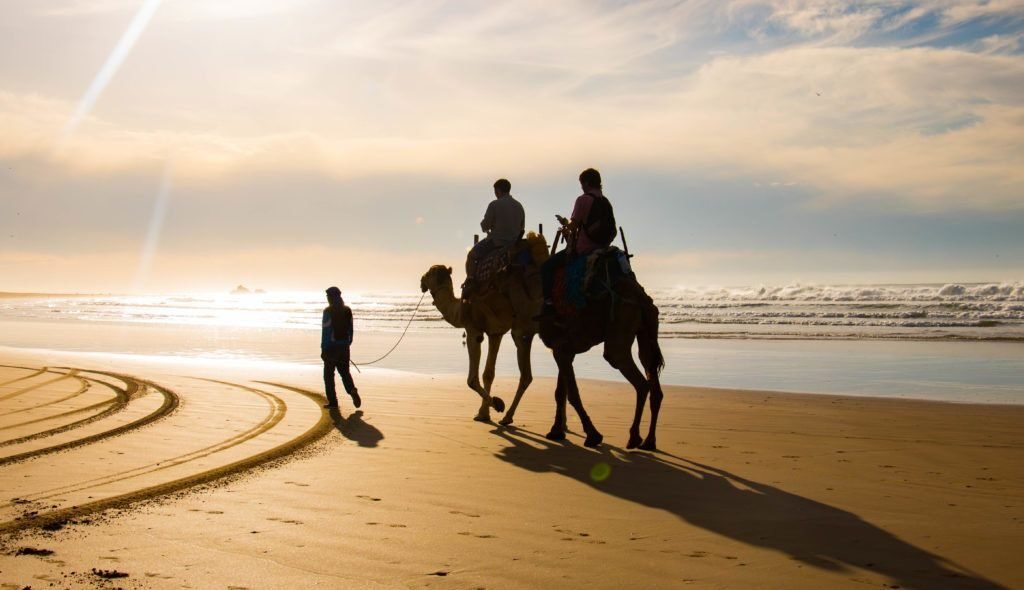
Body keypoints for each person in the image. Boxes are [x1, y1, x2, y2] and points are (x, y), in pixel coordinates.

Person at [538, 167, 616, 317]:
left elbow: (573, 226)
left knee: (546, 267)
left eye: (582, 183)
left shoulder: (583, 200)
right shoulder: (605, 201)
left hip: (584, 249)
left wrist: (564, 223)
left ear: (586, 183)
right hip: (603, 247)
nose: (581, 186)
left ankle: (548, 303)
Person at [464, 178, 526, 295]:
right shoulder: (519, 206)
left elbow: (485, 226)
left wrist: (487, 224)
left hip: (496, 242)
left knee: (471, 255)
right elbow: (522, 228)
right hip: (514, 243)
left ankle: (471, 281)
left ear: (498, 190)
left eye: (495, 191)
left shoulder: (494, 205)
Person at [321, 286, 360, 409]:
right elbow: (351, 330)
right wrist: (347, 344)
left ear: (331, 297)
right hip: (344, 347)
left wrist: (323, 349)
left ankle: (333, 402)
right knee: (345, 373)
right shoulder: (347, 310)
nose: (327, 298)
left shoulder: (328, 311)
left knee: (328, 376)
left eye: (328, 296)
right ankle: (352, 390)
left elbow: (326, 331)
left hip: (331, 348)